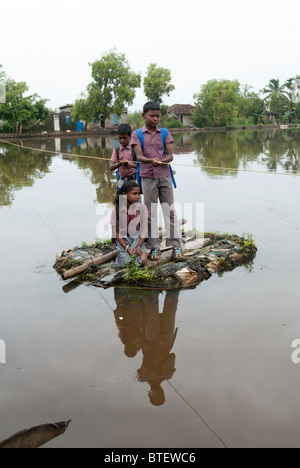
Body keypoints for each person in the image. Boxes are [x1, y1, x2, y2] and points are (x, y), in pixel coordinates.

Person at [131, 102, 183, 261]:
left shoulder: (165, 133)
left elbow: (170, 156)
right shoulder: (137, 134)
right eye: (152, 115)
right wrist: (149, 161)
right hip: (147, 177)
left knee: (169, 211)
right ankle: (154, 247)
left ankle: (176, 246)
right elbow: (139, 156)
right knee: (150, 213)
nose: (155, 119)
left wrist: (161, 161)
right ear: (143, 115)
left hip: (164, 176)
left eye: (157, 116)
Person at [111, 181, 148, 267]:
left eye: (139, 194)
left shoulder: (142, 208)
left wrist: (138, 246)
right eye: (134, 194)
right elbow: (117, 233)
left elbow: (144, 230)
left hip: (137, 238)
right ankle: (126, 253)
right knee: (128, 263)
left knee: (142, 261)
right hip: (123, 239)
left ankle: (142, 251)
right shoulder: (116, 210)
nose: (137, 197)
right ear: (124, 194)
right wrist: (127, 248)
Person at [110, 123, 137, 190]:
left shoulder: (135, 149)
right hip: (121, 180)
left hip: (134, 180)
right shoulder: (116, 150)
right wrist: (120, 163)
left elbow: (141, 166)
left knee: (135, 199)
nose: (122, 140)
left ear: (130, 137)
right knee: (122, 200)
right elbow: (111, 167)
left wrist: (131, 165)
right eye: (120, 138)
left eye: (125, 138)